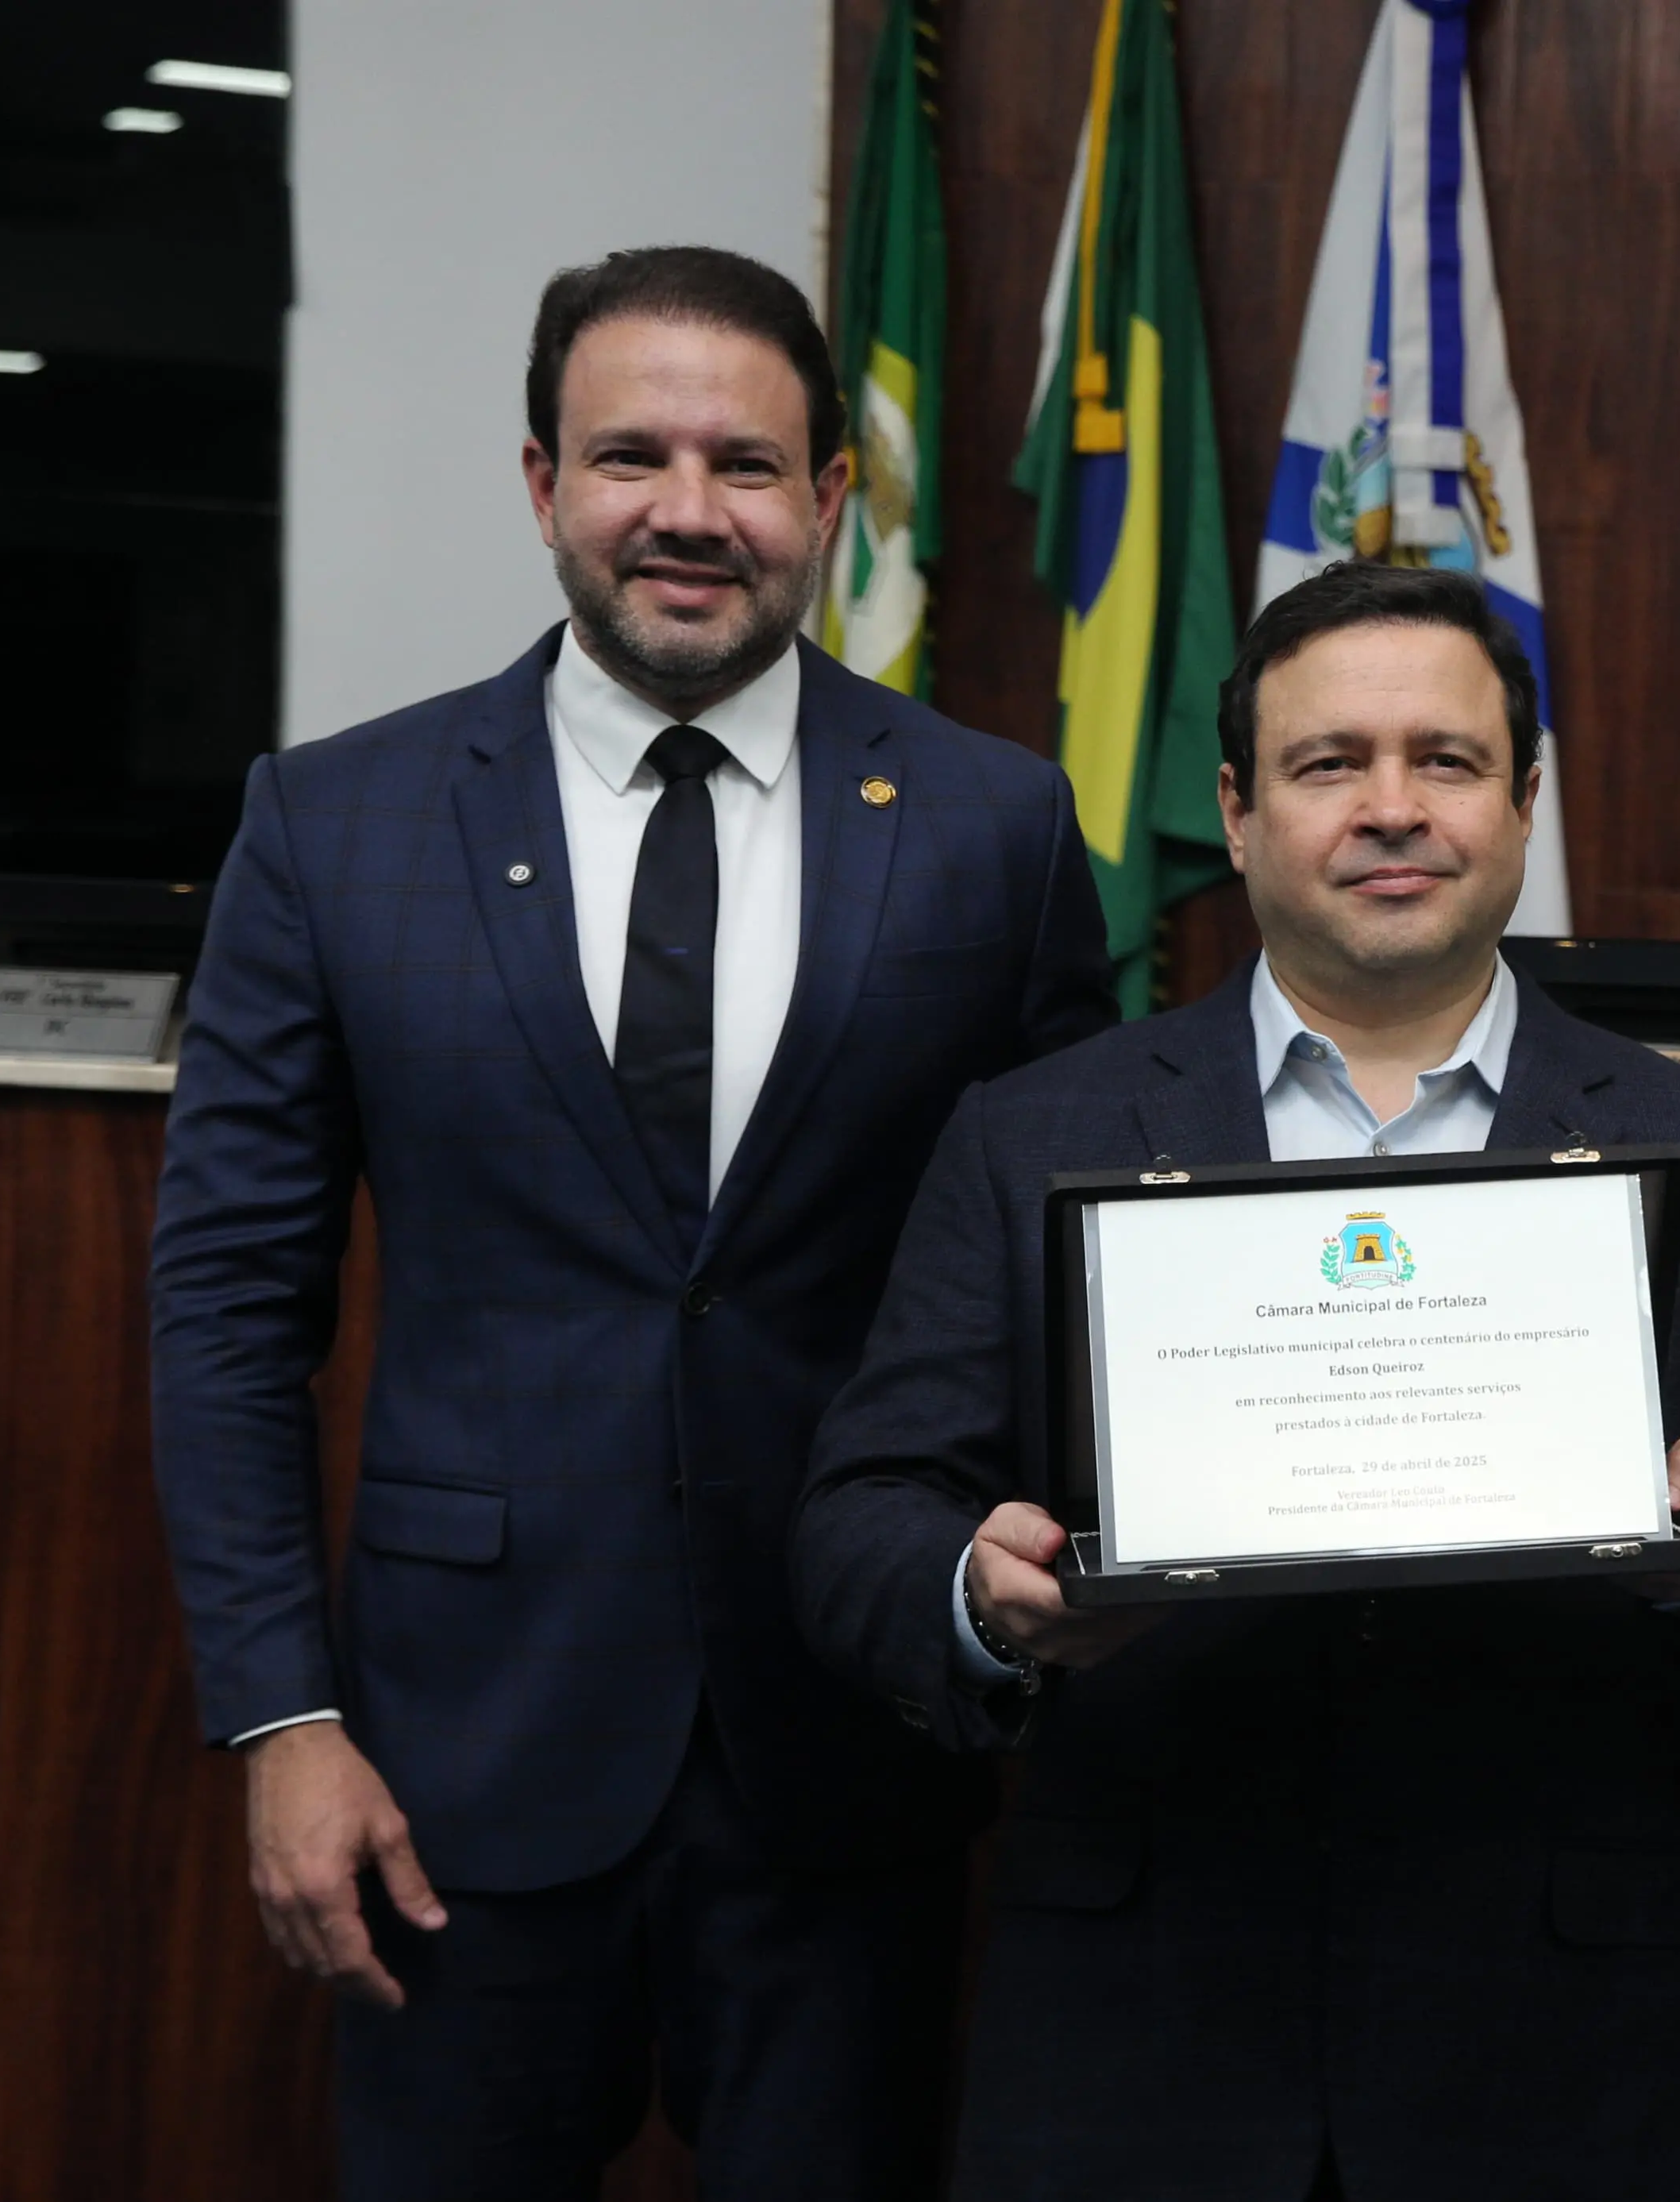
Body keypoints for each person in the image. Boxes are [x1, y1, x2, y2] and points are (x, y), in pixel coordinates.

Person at [147, 245, 1115, 2199]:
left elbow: (1065, 1267)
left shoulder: (996, 826)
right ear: (541, 485)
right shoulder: (333, 822)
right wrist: (283, 1718)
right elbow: (232, 1306)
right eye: (631, 457)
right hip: (448, 1768)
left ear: (833, 501)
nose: (689, 511)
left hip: (853, 1747)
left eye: (749, 464)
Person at [792, 562, 1680, 2202]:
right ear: (1234, 813)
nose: (1392, 809)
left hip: (1548, 2050)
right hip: (1138, 2038)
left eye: (1445, 761)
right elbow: (855, 1522)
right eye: (1328, 765)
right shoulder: (1032, 1136)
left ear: (1523, 805)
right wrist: (979, 1591)